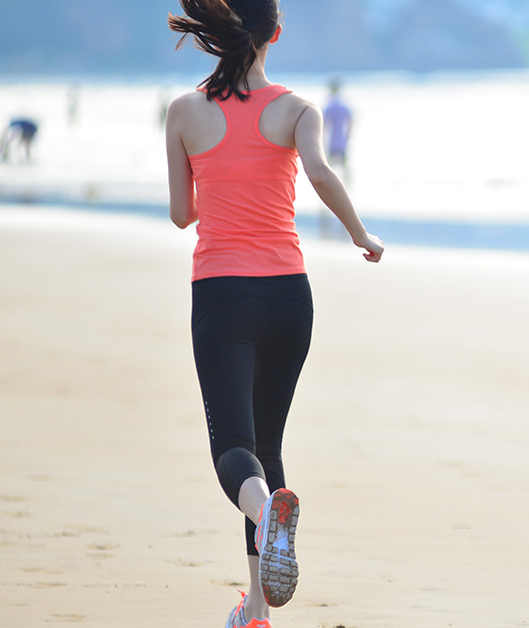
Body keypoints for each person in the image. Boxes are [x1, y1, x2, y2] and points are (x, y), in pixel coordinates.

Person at [164, 2, 384, 627]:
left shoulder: (184, 111)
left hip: (222, 292)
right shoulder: (297, 110)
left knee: (234, 450)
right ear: (275, 34)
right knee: (267, 448)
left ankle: (267, 520)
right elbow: (318, 172)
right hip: (290, 294)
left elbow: (183, 214)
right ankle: (256, 608)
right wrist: (360, 235)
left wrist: (222, 181)